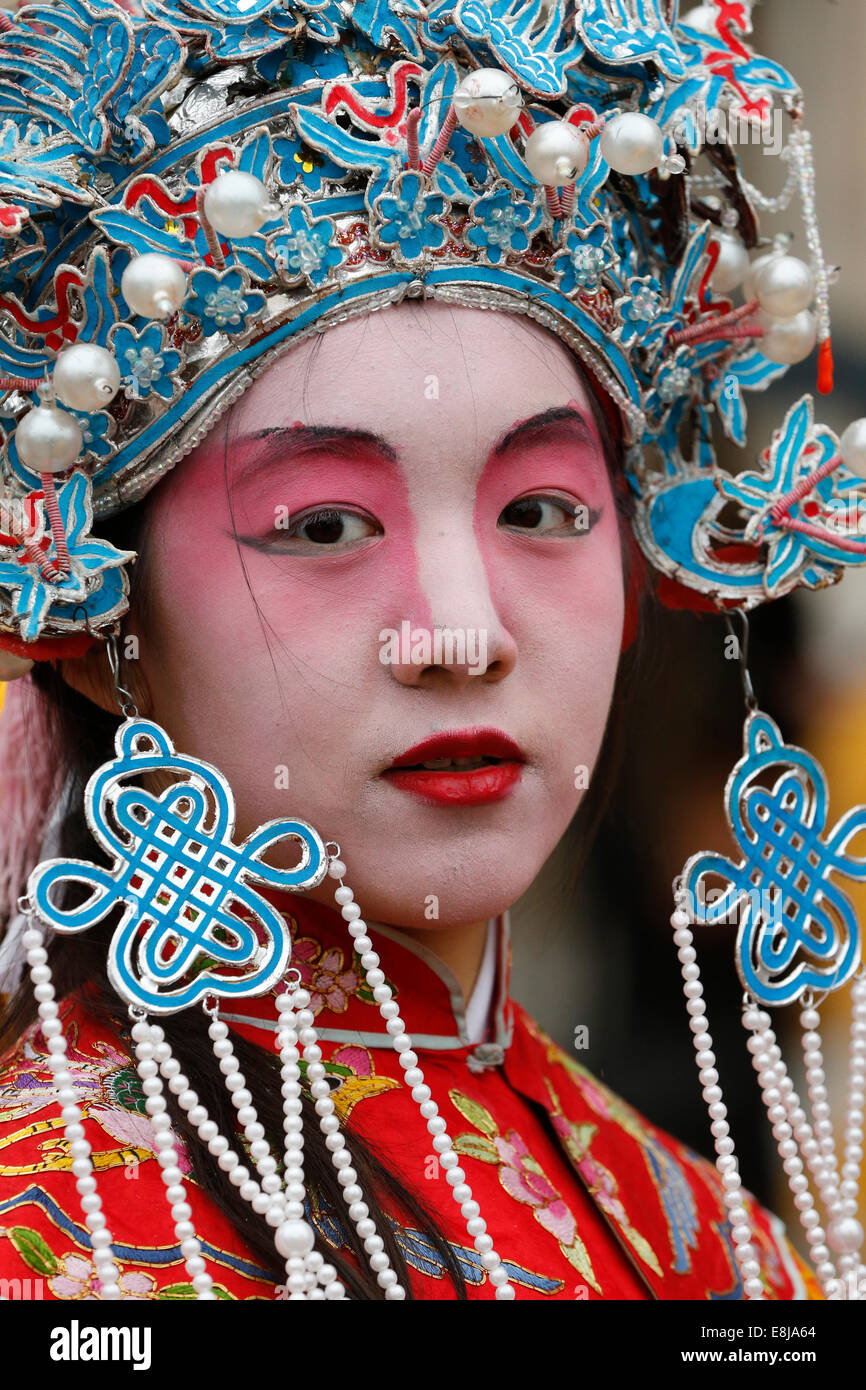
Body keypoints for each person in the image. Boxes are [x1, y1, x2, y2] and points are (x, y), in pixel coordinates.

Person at [0, 0, 859, 1301]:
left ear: (639, 575)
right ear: (90, 616)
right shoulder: (59, 1244)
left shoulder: (698, 1226)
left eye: (540, 512)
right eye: (325, 523)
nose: (459, 633)